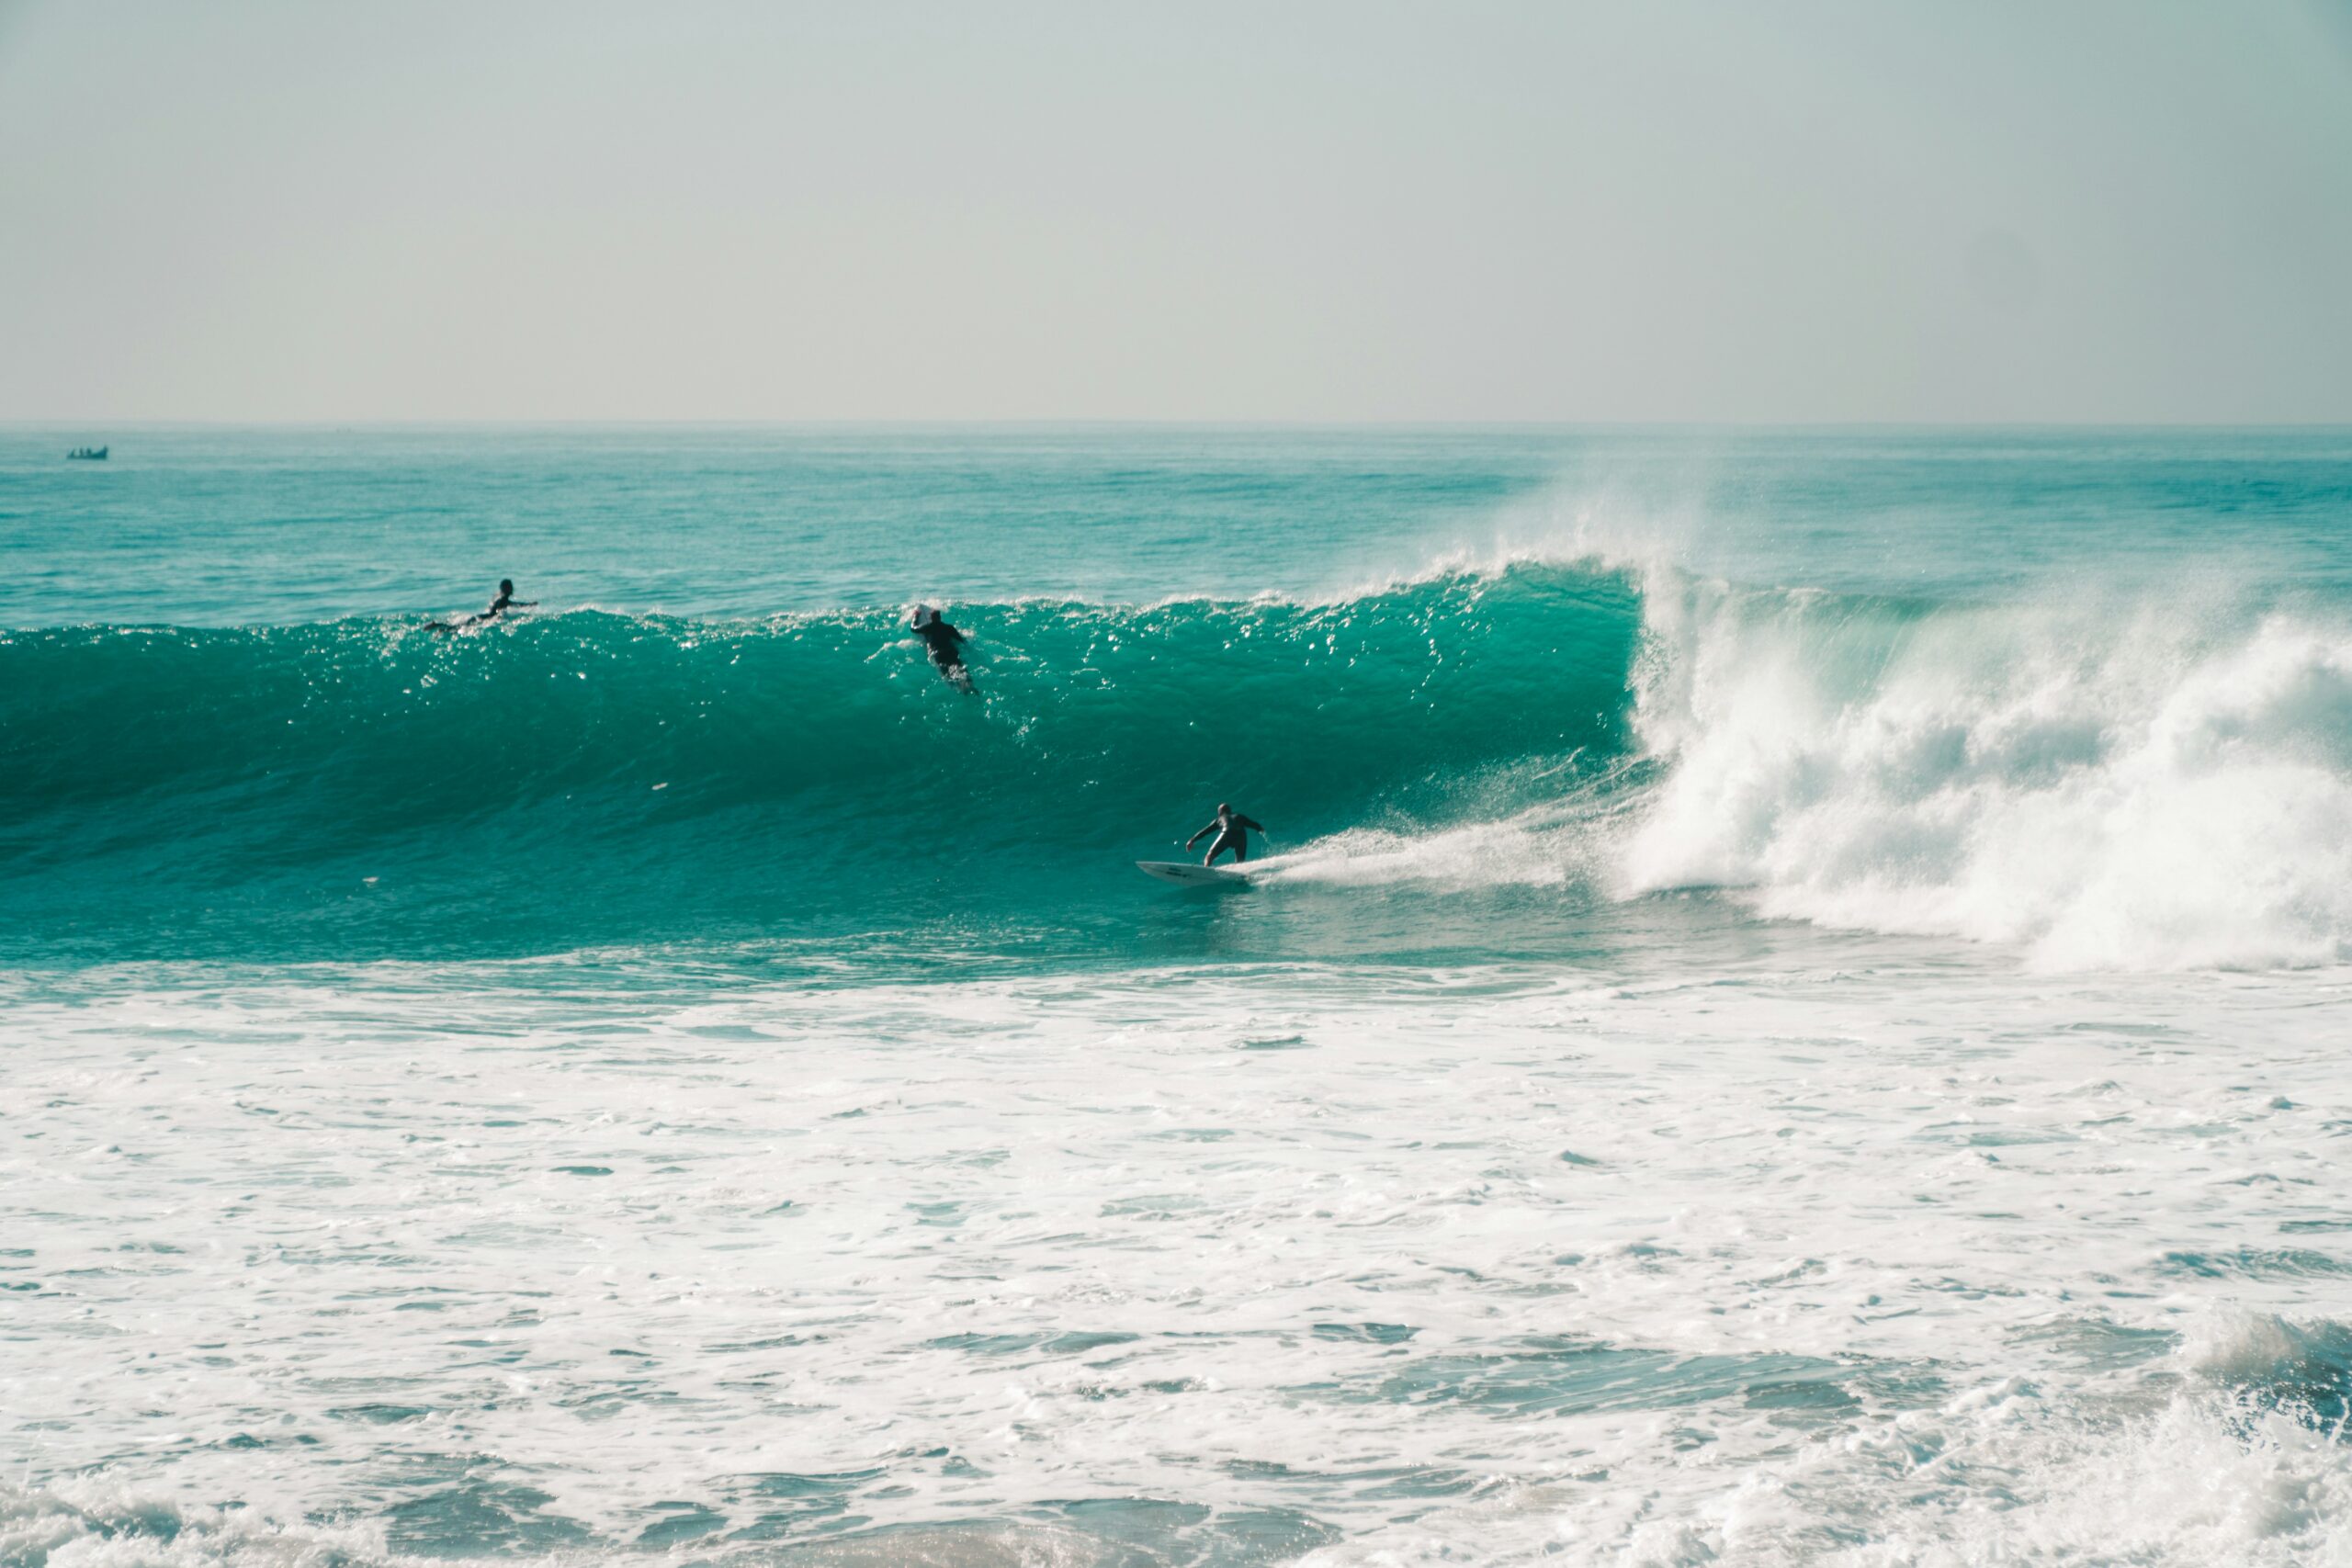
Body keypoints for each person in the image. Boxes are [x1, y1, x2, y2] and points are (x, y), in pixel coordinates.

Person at [910, 604, 974, 691]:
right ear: (940, 617)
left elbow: (913, 629)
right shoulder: (949, 627)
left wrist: (915, 617)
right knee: (961, 669)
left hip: (939, 654)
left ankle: (959, 688)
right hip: (952, 652)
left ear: (931, 618)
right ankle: (970, 686)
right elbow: (961, 640)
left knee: (947, 673)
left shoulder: (928, 628)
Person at [1186, 803, 1265, 866]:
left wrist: (1192, 840)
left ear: (1220, 812)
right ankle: (1240, 876)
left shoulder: (1219, 819)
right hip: (1241, 835)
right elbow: (1254, 825)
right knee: (1240, 861)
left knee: (1209, 856)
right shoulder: (1239, 816)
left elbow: (1205, 831)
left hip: (1227, 833)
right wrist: (1260, 829)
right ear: (1230, 810)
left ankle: (1206, 870)